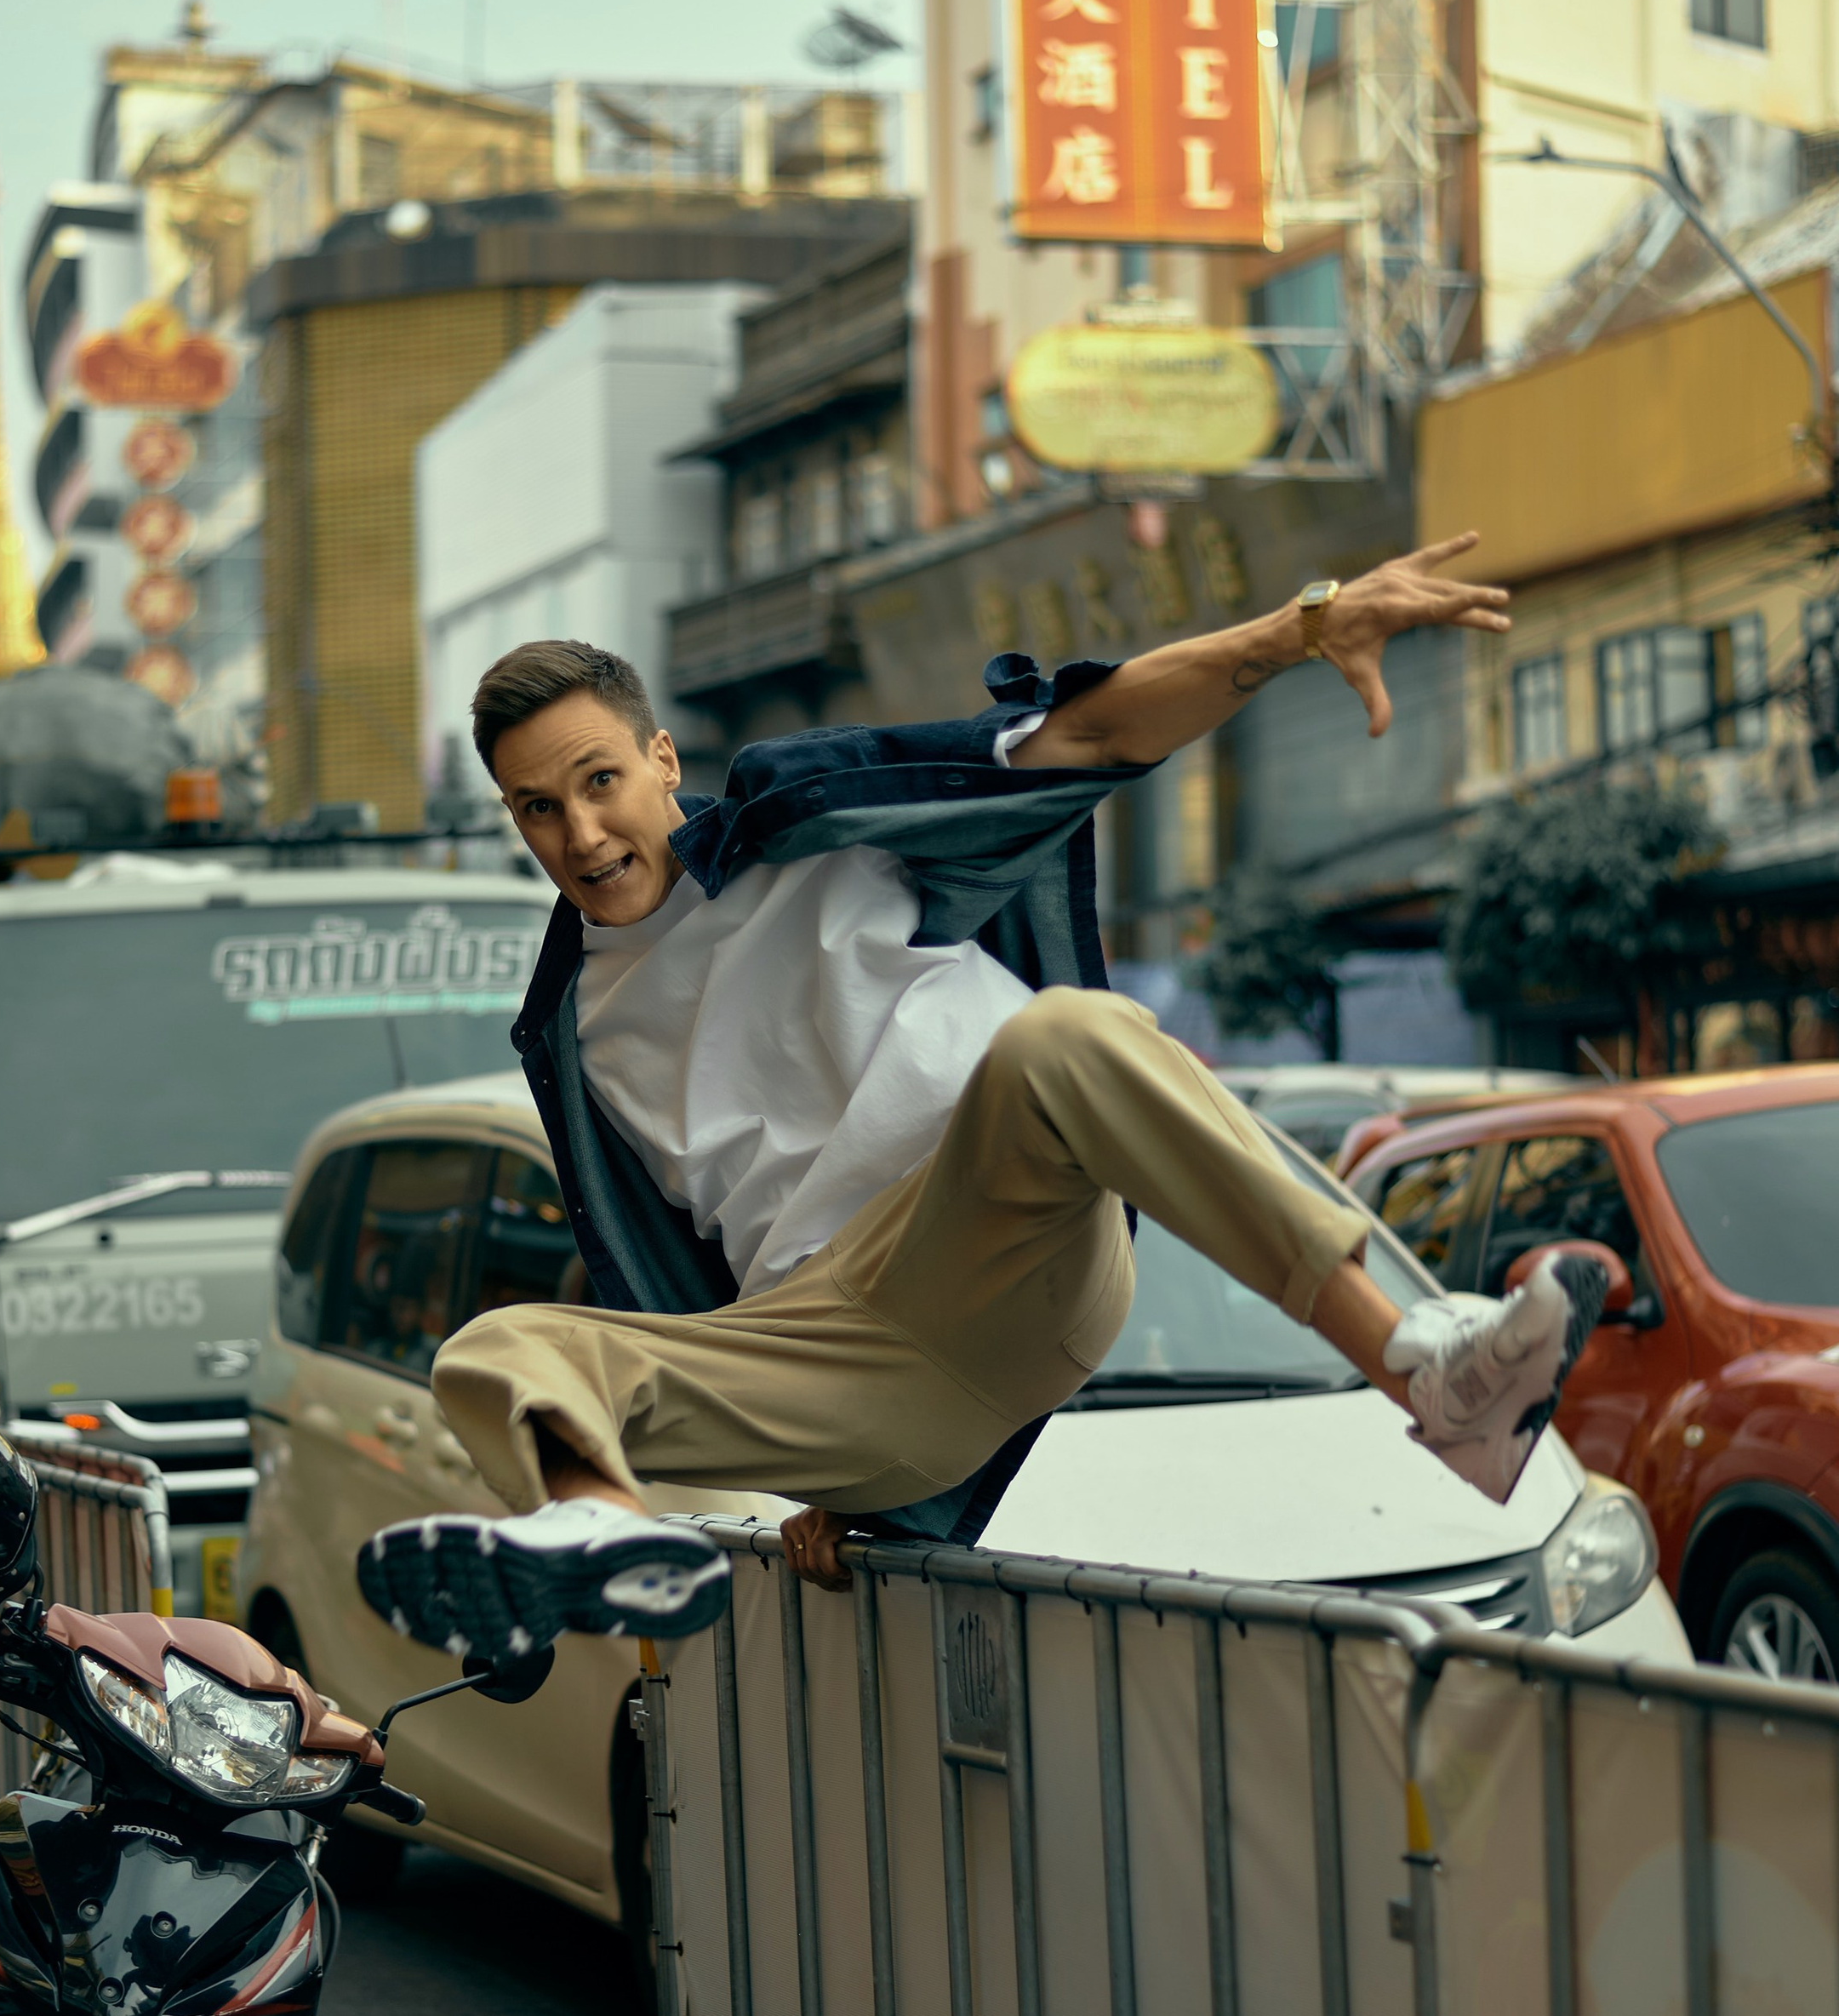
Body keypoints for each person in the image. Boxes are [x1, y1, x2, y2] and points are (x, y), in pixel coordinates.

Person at [360, 539, 1604, 1659]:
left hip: (993, 1223)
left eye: (598, 783)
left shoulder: (809, 820)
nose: (580, 834)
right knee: (496, 1350)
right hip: (830, 1350)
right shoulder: (569, 1031)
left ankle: (1431, 1374)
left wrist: (1299, 627)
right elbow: (673, 1286)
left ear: (661, 759)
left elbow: (1094, 733)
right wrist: (840, 1480)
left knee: (1064, 1036)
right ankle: (600, 1537)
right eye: (537, 808)